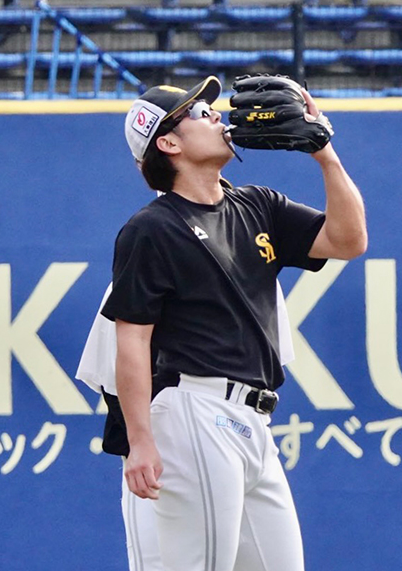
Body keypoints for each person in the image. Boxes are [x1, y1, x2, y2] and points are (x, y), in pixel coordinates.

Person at [101, 75, 367, 571]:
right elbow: (132, 341)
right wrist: (140, 441)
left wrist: (324, 152)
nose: (217, 114)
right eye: (200, 113)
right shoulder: (152, 228)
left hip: (255, 422)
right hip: (193, 411)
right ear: (169, 142)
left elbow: (349, 240)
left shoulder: (257, 205)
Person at [76, 278, 295, 571]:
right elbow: (114, 380)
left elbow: (266, 369)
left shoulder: (257, 263)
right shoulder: (153, 253)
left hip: (248, 436)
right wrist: (141, 445)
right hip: (167, 451)